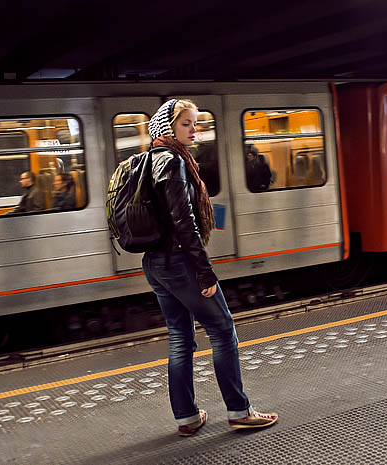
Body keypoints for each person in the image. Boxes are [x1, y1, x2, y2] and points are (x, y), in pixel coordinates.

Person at [143, 99, 278, 436]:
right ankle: (239, 410)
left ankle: (186, 417)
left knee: (179, 337)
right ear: (168, 127)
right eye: (187, 123)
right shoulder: (173, 162)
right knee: (222, 330)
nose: (194, 130)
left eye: (195, 123)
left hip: (155, 263)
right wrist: (205, 272)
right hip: (179, 261)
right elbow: (183, 223)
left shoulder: (149, 160)